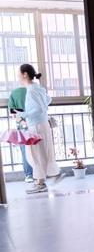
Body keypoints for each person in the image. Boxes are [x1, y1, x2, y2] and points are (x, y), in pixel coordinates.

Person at [17, 63, 61, 194]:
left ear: (25, 74)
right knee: (43, 153)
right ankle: (49, 177)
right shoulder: (37, 87)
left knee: (35, 154)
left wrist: (22, 115)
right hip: (42, 124)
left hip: (36, 126)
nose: (18, 76)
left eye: (19, 74)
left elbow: (39, 108)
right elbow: (48, 100)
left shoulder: (31, 90)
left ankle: (41, 183)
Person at [7, 81, 35, 183]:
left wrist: (22, 121)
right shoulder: (34, 91)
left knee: (25, 151)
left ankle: (29, 175)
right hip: (36, 123)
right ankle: (39, 173)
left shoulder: (14, 93)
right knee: (38, 150)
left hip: (23, 125)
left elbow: (12, 112)